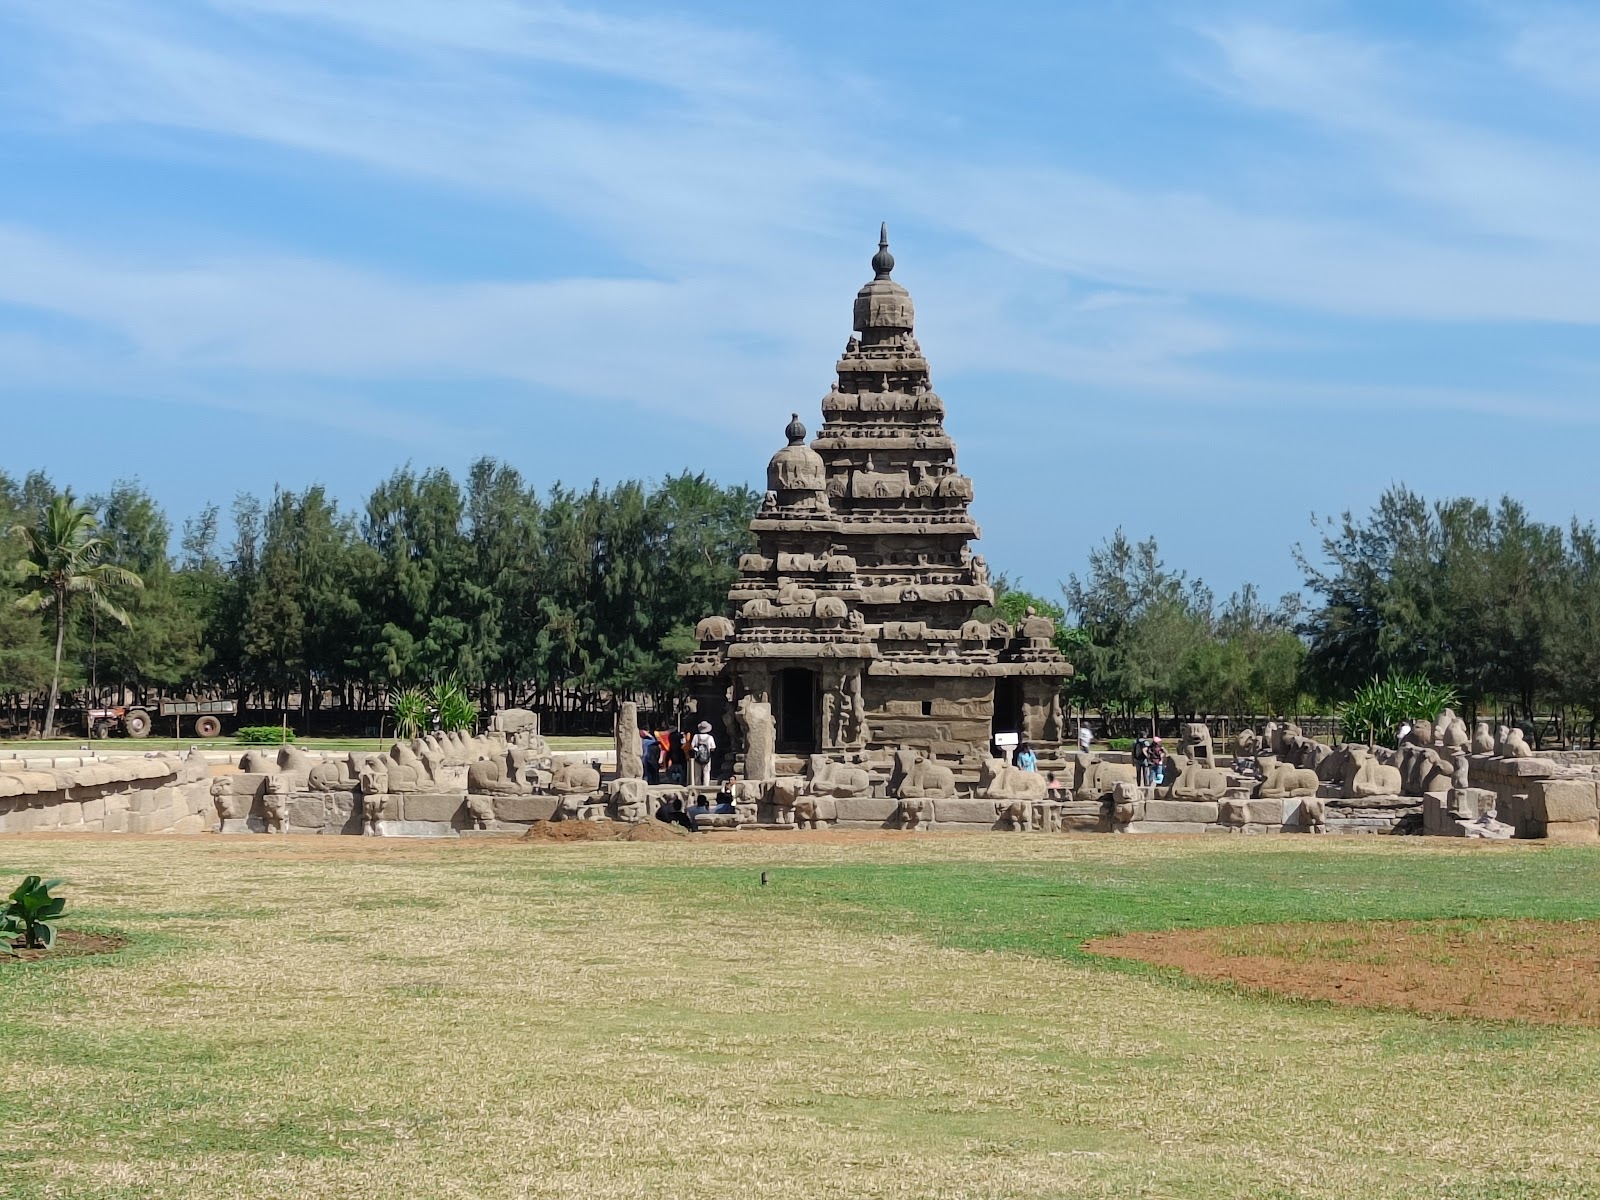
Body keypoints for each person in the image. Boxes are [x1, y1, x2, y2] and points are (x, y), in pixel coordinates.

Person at [690, 721, 717, 787]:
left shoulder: (696, 736)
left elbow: (692, 746)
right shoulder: (710, 737)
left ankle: (697, 786)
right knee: (706, 772)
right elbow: (713, 748)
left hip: (697, 757)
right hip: (707, 758)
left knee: (697, 774)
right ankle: (706, 786)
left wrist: (697, 750)